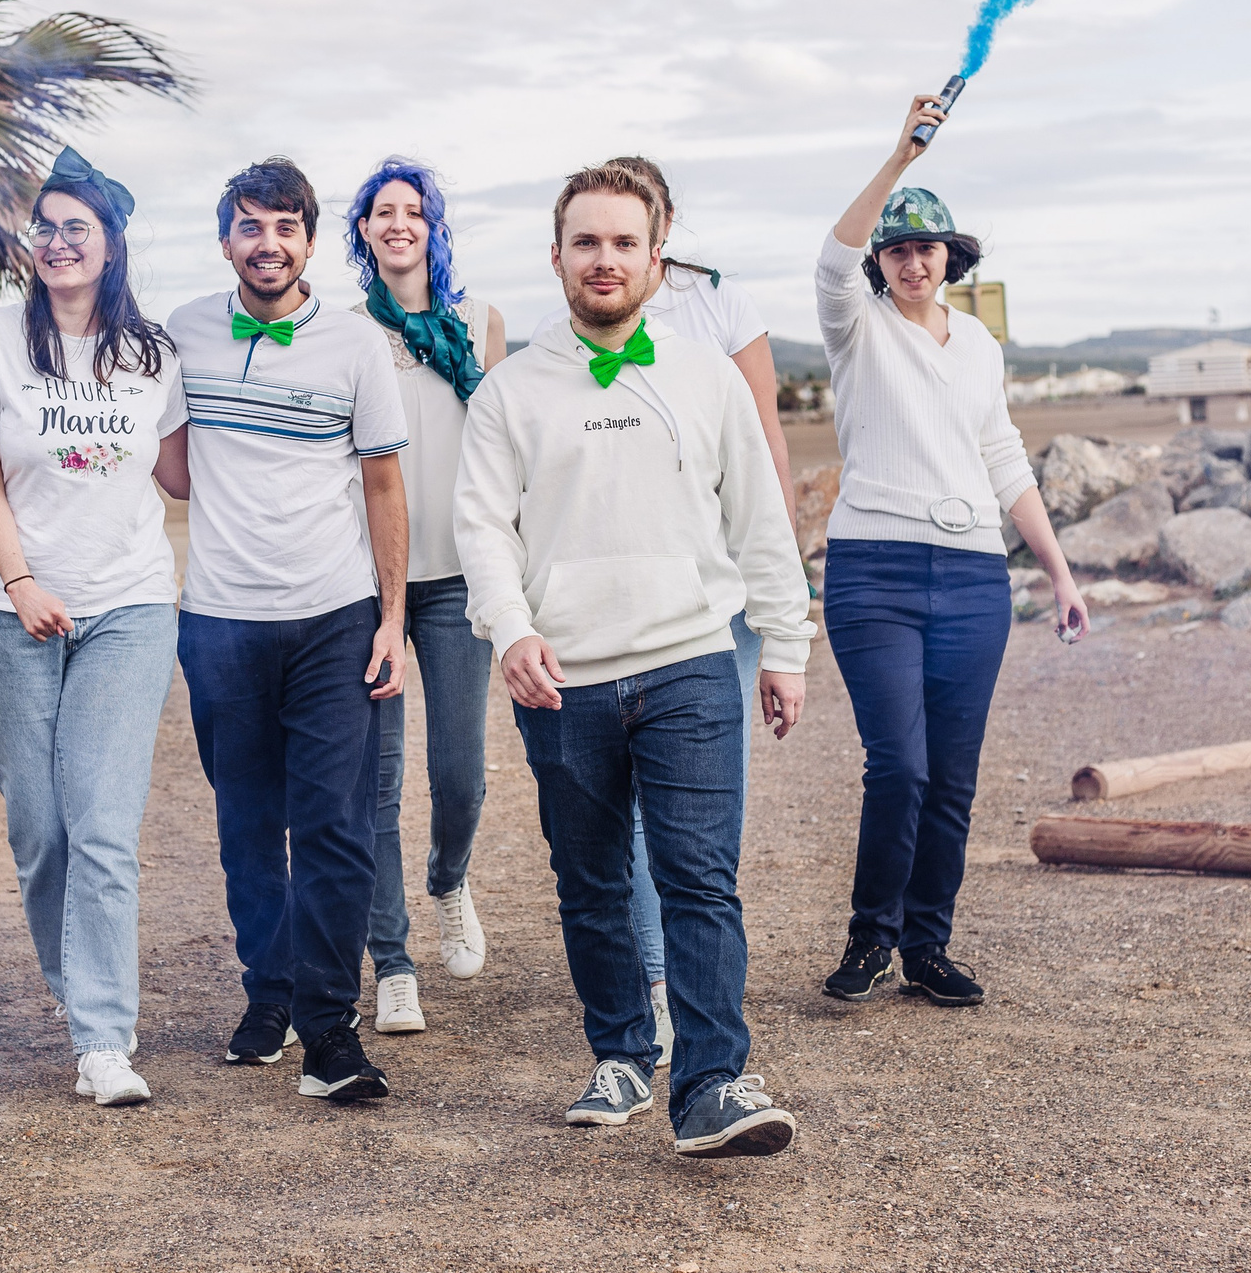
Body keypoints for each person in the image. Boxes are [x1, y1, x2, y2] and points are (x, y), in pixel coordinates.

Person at [454, 161, 814, 1158]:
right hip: (561, 675)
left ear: (658, 259)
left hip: (689, 661)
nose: (604, 260)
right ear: (558, 256)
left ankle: (712, 1086)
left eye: (624, 243)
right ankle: (619, 1049)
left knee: (699, 877)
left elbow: (759, 525)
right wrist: (511, 627)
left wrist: (784, 646)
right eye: (586, 242)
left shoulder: (704, 378)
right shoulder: (512, 391)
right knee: (591, 880)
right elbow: (481, 525)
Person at [813, 96, 1090, 1010]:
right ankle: (871, 935)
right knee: (901, 763)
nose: (914, 259)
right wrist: (898, 155)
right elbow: (829, 256)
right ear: (882, 261)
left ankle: (928, 943)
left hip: (975, 577)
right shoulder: (857, 325)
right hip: (874, 574)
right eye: (898, 248)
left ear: (951, 258)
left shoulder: (978, 343)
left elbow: (1003, 456)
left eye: (929, 247)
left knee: (954, 777)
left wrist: (1057, 572)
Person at [0, 147, 190, 1109]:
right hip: (8, 611)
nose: (54, 240)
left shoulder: (153, 353)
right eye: (42, 226)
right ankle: (75, 987)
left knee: (101, 824)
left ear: (111, 242)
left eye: (74, 226)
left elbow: (181, 476)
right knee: (40, 828)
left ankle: (102, 1035)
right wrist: (20, 581)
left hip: (129, 606)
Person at [169, 157, 412, 1103]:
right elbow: (175, 472)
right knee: (245, 827)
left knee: (334, 829)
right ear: (225, 237)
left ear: (311, 239)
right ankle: (264, 995)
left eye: (286, 227)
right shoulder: (182, 333)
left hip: (335, 619)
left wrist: (392, 618)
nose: (267, 244)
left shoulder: (356, 345)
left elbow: (384, 484)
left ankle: (328, 1031)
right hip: (220, 622)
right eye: (250, 227)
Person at [602, 156, 797, 1067]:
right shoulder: (586, 315)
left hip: (723, 582)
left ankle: (690, 963)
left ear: (664, 225)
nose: (619, 246)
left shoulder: (721, 305)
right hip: (633, 588)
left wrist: (781, 576)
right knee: (633, 803)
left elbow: (765, 439)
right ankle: (651, 975)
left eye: (640, 223)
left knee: (706, 796)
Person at [342, 157, 505, 1036]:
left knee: (460, 772)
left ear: (434, 228)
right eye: (382, 212)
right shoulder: (344, 331)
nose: (397, 223)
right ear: (362, 231)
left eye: (413, 211)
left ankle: (449, 878)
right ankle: (392, 961)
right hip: (364, 586)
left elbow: (503, 450)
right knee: (377, 780)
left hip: (458, 579)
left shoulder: (479, 324)